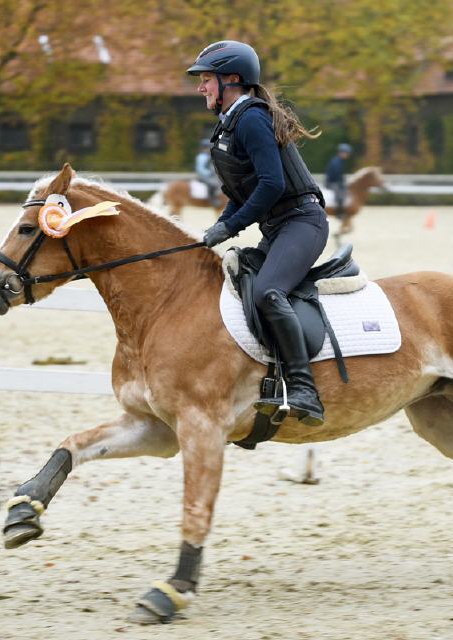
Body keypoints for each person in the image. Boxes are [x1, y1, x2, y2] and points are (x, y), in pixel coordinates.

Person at [188, 40, 329, 426]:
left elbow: (271, 184)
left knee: (268, 291)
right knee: (240, 285)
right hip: (278, 227)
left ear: (231, 79)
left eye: (205, 80)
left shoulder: (250, 118)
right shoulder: (228, 124)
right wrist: (218, 226)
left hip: (302, 223)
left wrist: (230, 226)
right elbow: (243, 193)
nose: (201, 87)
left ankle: (305, 389)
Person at [325, 143, 352, 221]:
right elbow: (336, 175)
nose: (347, 155)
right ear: (341, 152)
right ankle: (338, 213)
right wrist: (341, 183)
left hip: (335, 181)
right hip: (332, 182)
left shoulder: (340, 161)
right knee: (340, 194)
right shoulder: (336, 162)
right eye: (346, 153)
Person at [194, 140, 221, 207]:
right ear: (204, 148)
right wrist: (210, 173)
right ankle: (212, 200)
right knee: (213, 184)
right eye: (208, 148)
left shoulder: (208, 156)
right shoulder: (201, 157)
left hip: (209, 176)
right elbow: (200, 169)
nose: (209, 149)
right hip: (203, 176)